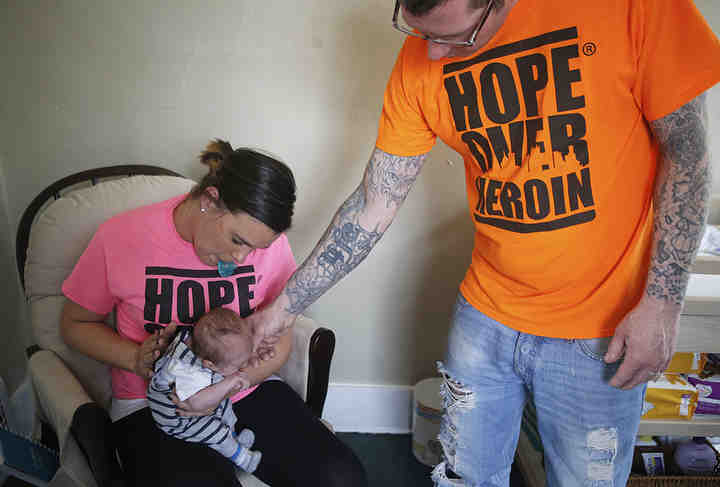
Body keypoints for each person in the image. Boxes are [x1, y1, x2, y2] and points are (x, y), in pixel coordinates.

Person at [241, 1, 720, 486]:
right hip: (485, 318)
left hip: (601, 327)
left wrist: (662, 303)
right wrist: (280, 311)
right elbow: (372, 203)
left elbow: (689, 153)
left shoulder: (630, 8)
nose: (431, 52)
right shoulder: (419, 59)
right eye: (416, 30)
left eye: (456, 38)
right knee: (466, 478)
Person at [60, 139, 367, 487]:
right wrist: (135, 358)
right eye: (238, 240)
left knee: (343, 478)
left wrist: (236, 381)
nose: (242, 259)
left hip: (245, 390)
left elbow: (281, 334)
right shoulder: (120, 237)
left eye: (256, 248)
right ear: (209, 200)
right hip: (155, 405)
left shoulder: (268, 245)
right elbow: (74, 324)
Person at [148, 307, 261, 474]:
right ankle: (242, 457)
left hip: (194, 396)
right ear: (210, 365)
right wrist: (231, 379)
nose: (243, 367)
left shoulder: (194, 340)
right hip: (178, 416)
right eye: (238, 365)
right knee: (213, 430)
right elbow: (195, 404)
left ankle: (234, 438)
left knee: (225, 408)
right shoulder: (187, 371)